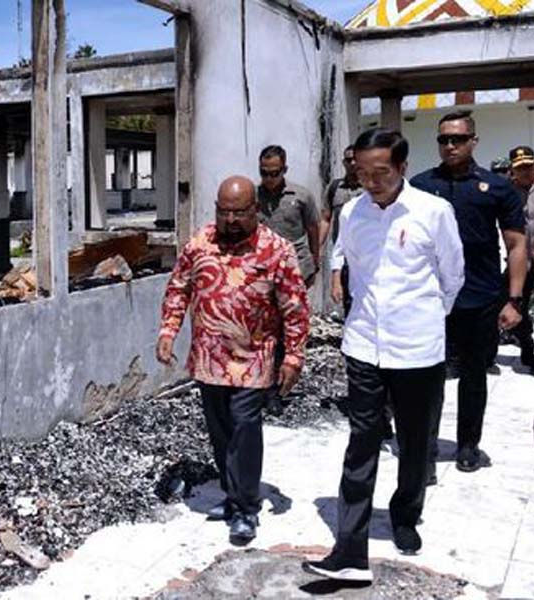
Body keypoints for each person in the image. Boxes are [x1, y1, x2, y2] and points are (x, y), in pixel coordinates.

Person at [303, 128, 464, 582]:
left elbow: (453, 275)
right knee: (361, 444)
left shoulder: (435, 212)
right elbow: (342, 252)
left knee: (414, 444)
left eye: (381, 173)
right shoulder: (352, 211)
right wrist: (337, 274)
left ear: (402, 169)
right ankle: (350, 548)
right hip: (363, 346)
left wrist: (426, 318)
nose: (371, 181)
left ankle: (406, 514)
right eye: (362, 172)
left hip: (417, 350)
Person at [156, 175, 310, 545]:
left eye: (239, 212)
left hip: (254, 358)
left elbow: (295, 307)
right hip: (209, 358)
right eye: (223, 212)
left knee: (244, 428)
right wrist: (167, 332)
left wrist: (293, 356)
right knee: (221, 430)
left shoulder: (276, 250)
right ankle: (232, 493)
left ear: (255, 209)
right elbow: (179, 288)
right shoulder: (200, 243)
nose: (230, 220)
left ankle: (245, 508)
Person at [410, 111, 527, 474]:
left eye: (458, 139)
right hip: (430, 299)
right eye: (444, 139)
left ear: (473, 141)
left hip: (480, 296)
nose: (450, 145)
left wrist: (514, 299)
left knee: (474, 376)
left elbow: (517, 244)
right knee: (427, 378)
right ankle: (424, 447)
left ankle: (467, 445)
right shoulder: (420, 184)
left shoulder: (497, 187)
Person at [256, 145, 322, 288]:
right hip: (264, 266)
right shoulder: (252, 197)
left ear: (284, 170)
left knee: (295, 308)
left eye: (274, 173)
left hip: (297, 265)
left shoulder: (301, 196)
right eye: (264, 173)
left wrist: (314, 260)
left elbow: (313, 229)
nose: (268, 178)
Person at [320, 145, 363, 316]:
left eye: (355, 159)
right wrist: (318, 248)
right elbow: (325, 219)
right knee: (345, 295)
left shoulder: (370, 187)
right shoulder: (334, 188)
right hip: (343, 253)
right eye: (348, 159)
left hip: (366, 253)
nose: (352, 163)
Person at [508, 145, 534, 370]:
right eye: (520, 168)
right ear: (512, 170)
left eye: (529, 166)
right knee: (515, 306)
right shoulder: (507, 193)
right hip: (520, 263)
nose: (525, 171)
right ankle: (528, 346)